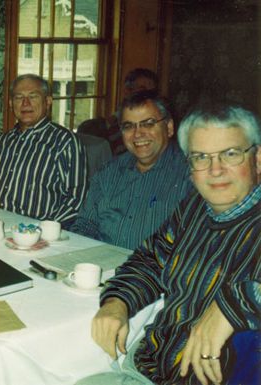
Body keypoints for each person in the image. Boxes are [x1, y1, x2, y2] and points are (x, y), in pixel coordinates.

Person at [78, 103, 260, 385]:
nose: (215, 169)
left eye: (231, 154)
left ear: (257, 159)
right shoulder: (195, 208)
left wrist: (232, 306)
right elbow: (151, 259)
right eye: (201, 157)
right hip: (149, 367)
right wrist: (117, 302)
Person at [71, 90, 192, 250]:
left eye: (148, 123)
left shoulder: (190, 175)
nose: (138, 134)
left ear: (169, 127)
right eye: (129, 126)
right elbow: (86, 224)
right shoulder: (108, 172)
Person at [0, 74, 88, 225]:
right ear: (11, 103)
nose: (25, 103)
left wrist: (41, 230)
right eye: (19, 97)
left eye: (33, 96)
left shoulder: (65, 142)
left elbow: (76, 200)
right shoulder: (0, 142)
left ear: (48, 101)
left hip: (37, 236)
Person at [108, 68, 159, 155]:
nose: (148, 95)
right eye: (142, 89)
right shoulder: (115, 123)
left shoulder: (160, 113)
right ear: (127, 91)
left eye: (152, 91)